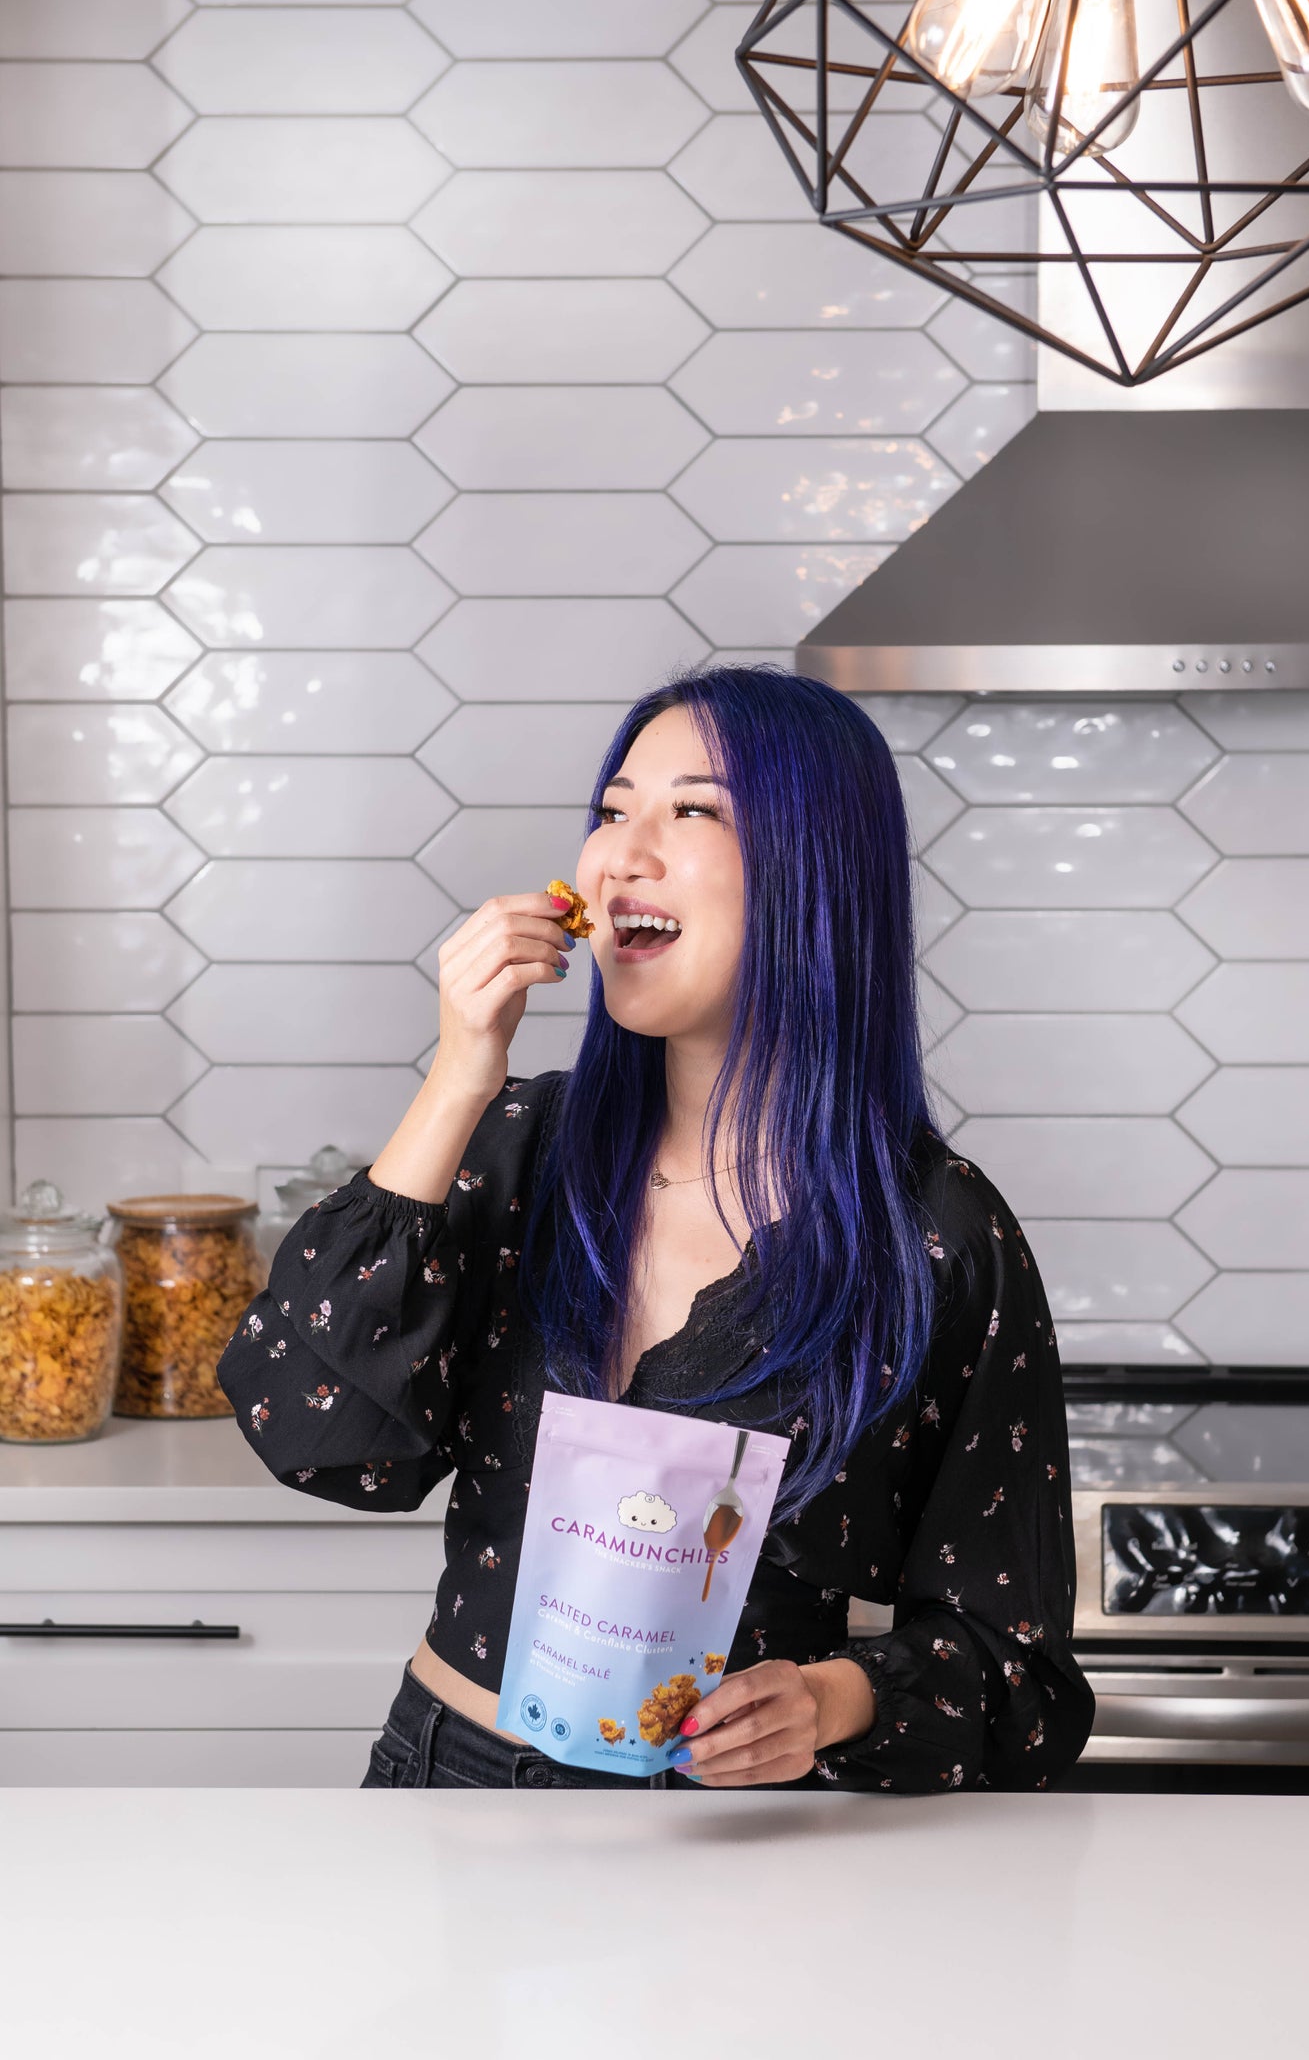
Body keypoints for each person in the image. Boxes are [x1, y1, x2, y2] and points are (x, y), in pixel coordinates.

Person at [218, 663, 1094, 1792]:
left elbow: (1021, 1679)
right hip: (447, 1784)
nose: (620, 853)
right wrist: (456, 1080)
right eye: (614, 808)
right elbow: (316, 1438)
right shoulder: (523, 1143)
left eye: (691, 810)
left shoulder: (934, 1235)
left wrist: (834, 1699)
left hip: (739, 1847)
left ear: (813, 874)